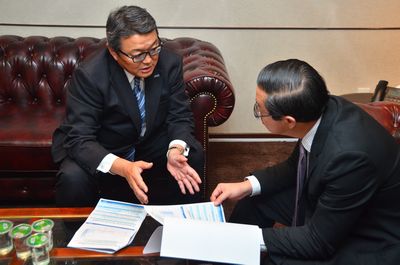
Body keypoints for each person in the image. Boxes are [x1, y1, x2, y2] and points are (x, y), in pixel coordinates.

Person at [211, 59, 400, 265]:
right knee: (253, 200)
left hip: (368, 233)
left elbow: (318, 241)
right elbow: (297, 166)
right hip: (333, 198)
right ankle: (222, 256)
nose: (258, 113)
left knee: (278, 260)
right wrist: (247, 186)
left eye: (260, 109)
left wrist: (246, 238)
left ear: (289, 121)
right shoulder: (320, 108)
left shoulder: (350, 158)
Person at [52, 5, 204, 206]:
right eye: (138, 54)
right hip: (107, 146)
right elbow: (80, 138)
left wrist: (174, 150)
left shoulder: (169, 63)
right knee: (73, 177)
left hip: (149, 143)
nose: (149, 60)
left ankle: (183, 225)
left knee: (190, 153)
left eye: (154, 49)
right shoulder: (90, 76)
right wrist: (123, 167)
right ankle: (78, 235)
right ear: (114, 52)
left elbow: (179, 115)